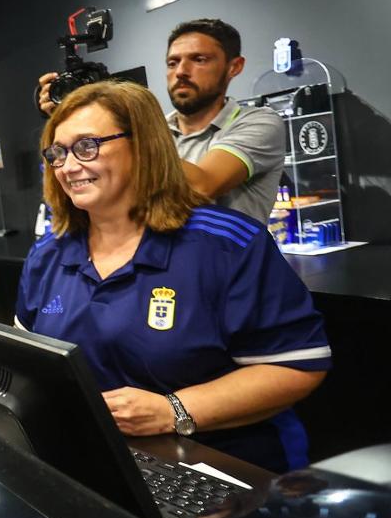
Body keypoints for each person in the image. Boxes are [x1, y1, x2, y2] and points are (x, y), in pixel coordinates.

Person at [17, 80, 329, 472]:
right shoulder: (48, 254)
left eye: (87, 146)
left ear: (143, 146)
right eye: (58, 153)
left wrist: (173, 410)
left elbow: (296, 366)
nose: (69, 166)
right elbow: (30, 362)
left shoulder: (225, 244)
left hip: (220, 466)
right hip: (101, 462)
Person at [37, 18, 285, 221]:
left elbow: (203, 186)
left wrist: (108, 117)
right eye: (172, 62)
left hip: (229, 269)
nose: (181, 72)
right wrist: (73, 121)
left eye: (199, 60)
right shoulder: (155, 129)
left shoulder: (260, 123)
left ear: (234, 67)